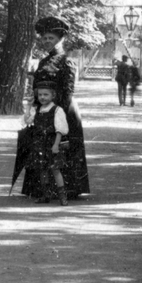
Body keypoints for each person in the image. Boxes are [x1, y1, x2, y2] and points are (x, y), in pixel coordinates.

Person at [25, 15, 89, 198]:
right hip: (44, 110)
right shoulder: (43, 62)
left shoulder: (66, 61)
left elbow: (68, 92)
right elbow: (37, 88)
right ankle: (43, 188)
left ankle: (67, 188)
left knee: (61, 146)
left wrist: (54, 112)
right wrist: (35, 109)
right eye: (44, 38)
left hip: (63, 110)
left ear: (60, 39)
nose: (46, 41)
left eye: (51, 38)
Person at [17, 78, 69, 204]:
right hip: (39, 144)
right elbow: (27, 121)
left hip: (51, 143)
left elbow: (60, 130)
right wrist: (29, 106)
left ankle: (63, 196)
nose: (42, 97)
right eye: (40, 95)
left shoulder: (57, 110)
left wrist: (56, 145)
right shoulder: (37, 110)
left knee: (55, 169)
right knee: (42, 169)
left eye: (46, 95)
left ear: (53, 95)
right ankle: (46, 195)